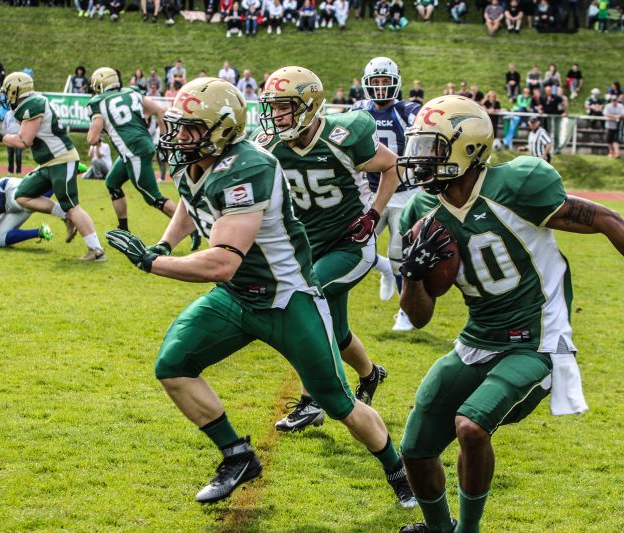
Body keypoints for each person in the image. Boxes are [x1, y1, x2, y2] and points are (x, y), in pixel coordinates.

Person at [394, 95, 624, 533]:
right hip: (477, 340)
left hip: (538, 340)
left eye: (431, 148)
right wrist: (412, 275)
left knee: (470, 427)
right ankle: (439, 529)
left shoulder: (516, 185)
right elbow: (420, 316)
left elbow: (605, 218)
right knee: (416, 447)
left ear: (468, 148)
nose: (420, 160)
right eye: (419, 147)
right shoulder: (420, 212)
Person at [106, 76, 415, 509]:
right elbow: (189, 205)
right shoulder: (196, 160)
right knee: (173, 365)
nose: (178, 137)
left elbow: (223, 260)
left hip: (286, 299)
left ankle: (399, 473)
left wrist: (152, 262)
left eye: (190, 128)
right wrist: (163, 243)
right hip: (235, 298)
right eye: (177, 126)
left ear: (222, 130)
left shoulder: (248, 167)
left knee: (338, 402)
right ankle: (237, 456)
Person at [255, 66, 405, 442]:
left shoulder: (342, 135)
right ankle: (371, 374)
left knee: (305, 303)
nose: (276, 116)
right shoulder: (270, 144)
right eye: (272, 108)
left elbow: (391, 167)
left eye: (284, 107)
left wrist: (373, 215)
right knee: (336, 334)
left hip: (350, 244)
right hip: (310, 247)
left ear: (308, 105)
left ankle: (312, 401)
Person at [0, 72, 106, 261]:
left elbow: (23, 141)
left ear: (16, 90)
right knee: (21, 195)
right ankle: (64, 215)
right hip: (48, 162)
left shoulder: (32, 105)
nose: (5, 95)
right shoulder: (30, 104)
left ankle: (96, 250)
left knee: (73, 206)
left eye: (7, 91)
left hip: (61, 159)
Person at [351, 57, 422, 331]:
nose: (380, 87)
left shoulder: (407, 110)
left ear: (396, 83)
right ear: (367, 84)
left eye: (385, 81)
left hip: (406, 193)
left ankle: (405, 312)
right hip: (372, 193)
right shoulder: (358, 110)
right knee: (350, 246)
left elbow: (427, 122)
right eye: (376, 82)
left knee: (399, 254)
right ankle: (383, 269)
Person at [86, 67, 176, 232]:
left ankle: (192, 226)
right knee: (112, 183)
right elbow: (160, 111)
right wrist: (164, 140)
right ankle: (123, 229)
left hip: (133, 151)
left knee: (153, 198)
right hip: (140, 146)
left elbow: (92, 139)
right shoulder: (131, 92)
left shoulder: (97, 102)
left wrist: (97, 126)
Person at [2, 108, 23, 174]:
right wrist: (5, 135)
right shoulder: (7, 113)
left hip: (18, 136)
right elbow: (4, 125)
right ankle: (10, 171)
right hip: (9, 136)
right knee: (10, 155)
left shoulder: (21, 112)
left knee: (19, 155)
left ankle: (18, 171)